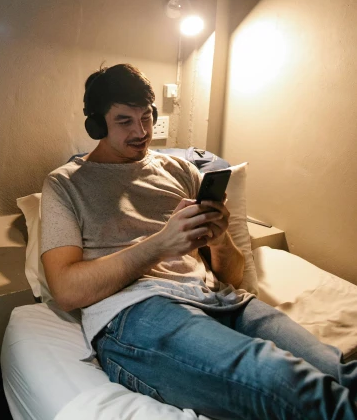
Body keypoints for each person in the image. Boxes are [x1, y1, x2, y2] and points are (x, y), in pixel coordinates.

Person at [41, 63, 357, 420]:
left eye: (146, 117)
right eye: (124, 121)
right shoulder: (65, 185)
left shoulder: (180, 171)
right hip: (139, 313)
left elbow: (232, 277)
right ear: (96, 125)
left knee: (338, 372)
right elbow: (66, 290)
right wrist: (160, 244)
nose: (142, 131)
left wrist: (220, 240)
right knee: (285, 380)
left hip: (221, 299)